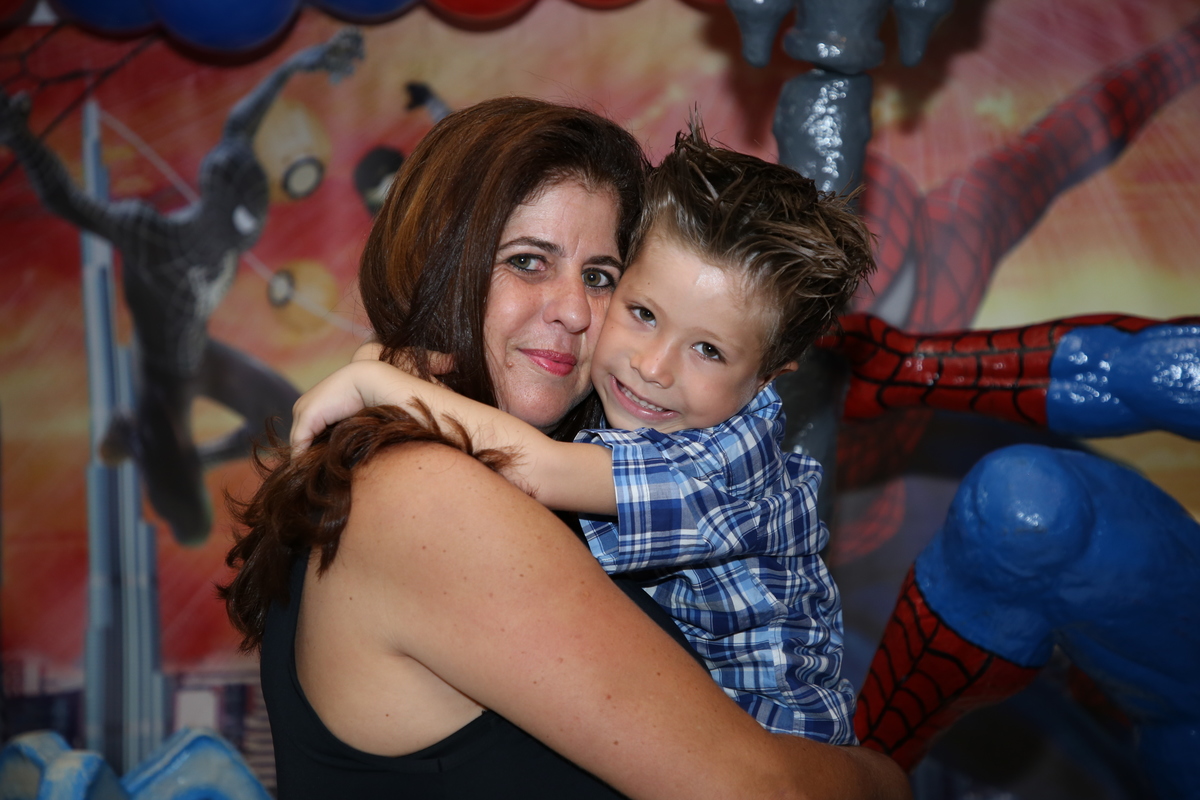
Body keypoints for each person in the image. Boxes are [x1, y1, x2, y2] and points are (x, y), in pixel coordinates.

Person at [221, 97, 908, 799]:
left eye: (601, 277)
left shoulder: (593, 467)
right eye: (528, 262)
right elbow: (764, 789)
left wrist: (383, 376)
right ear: (439, 264)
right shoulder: (425, 494)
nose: (576, 311)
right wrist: (883, 780)